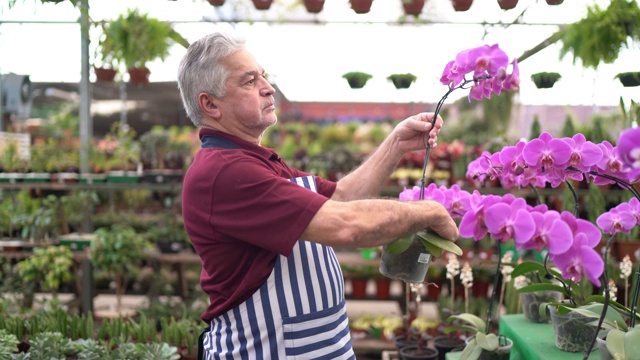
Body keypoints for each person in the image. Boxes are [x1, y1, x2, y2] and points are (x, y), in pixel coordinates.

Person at [177, 31, 459, 360]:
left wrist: (396, 144)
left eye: (263, 76)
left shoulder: (258, 162)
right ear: (210, 104)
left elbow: (341, 198)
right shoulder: (226, 172)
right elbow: (347, 225)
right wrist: (429, 211)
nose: (267, 87)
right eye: (250, 81)